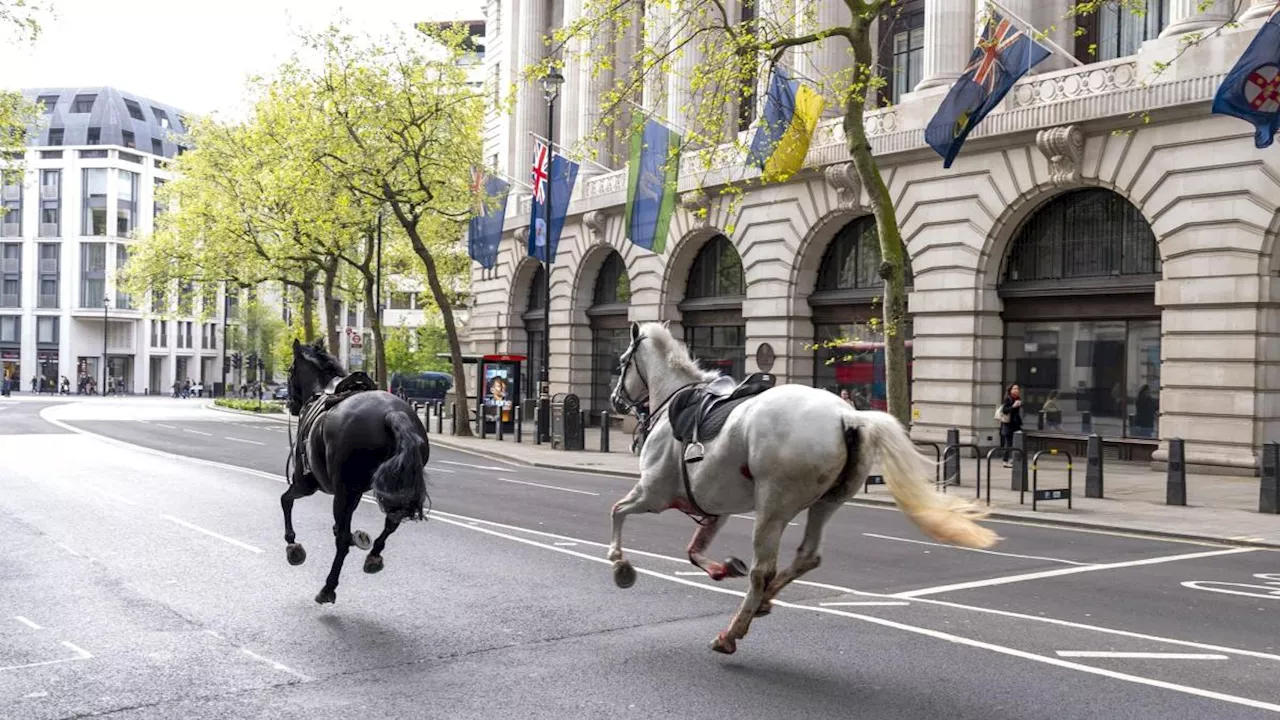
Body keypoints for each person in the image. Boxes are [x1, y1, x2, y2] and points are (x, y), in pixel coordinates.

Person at [997, 383, 1023, 468]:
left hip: (1016, 424)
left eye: (1017, 389)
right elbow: (1005, 410)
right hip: (1008, 425)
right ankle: (1005, 461)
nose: (1017, 390)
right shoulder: (1008, 399)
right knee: (1008, 444)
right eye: (1014, 389)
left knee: (1019, 441)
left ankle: (1014, 459)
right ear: (1010, 390)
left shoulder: (1018, 398)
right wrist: (1013, 406)